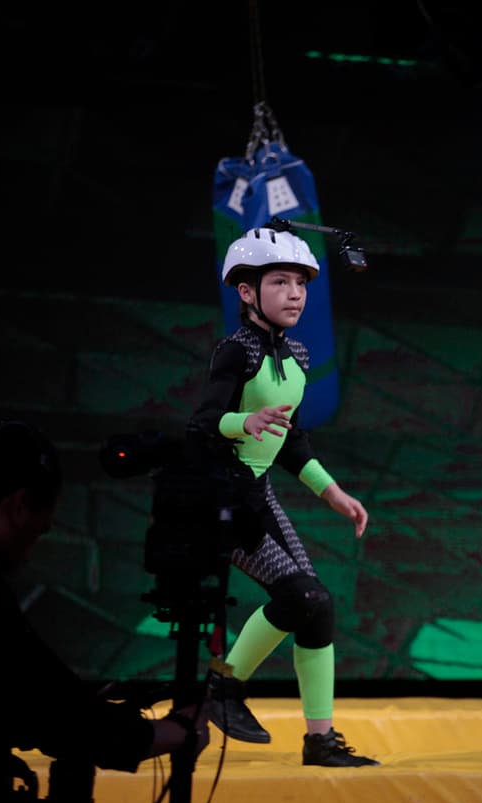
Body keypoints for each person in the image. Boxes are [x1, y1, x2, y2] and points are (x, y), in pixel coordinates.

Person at [0, 420, 211, 803]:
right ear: (19, 505)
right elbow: (43, 704)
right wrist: (167, 733)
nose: (34, 545)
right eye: (41, 528)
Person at [191, 224, 379, 768]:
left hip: (258, 490)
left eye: (301, 282)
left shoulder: (294, 352)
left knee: (315, 607)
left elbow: (290, 438)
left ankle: (318, 740)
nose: (295, 293)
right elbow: (201, 426)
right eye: (280, 281)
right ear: (246, 291)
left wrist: (333, 492)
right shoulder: (235, 352)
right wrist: (243, 419)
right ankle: (221, 689)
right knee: (307, 598)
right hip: (220, 496)